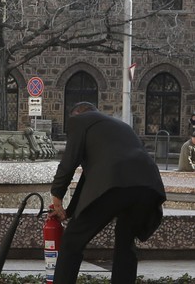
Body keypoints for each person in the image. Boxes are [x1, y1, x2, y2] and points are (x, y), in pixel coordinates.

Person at [49, 102, 166, 284]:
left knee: (72, 240)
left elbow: (68, 163)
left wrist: (56, 199)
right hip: (148, 185)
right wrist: (70, 212)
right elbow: (90, 178)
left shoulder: (80, 121)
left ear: (76, 115)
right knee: (125, 242)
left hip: (115, 183)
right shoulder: (119, 126)